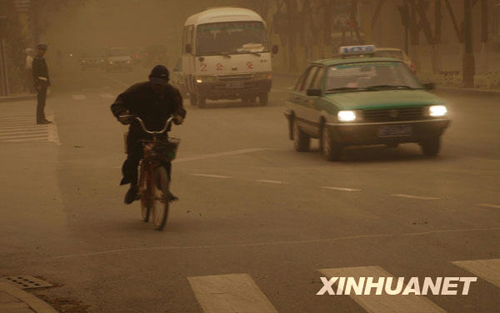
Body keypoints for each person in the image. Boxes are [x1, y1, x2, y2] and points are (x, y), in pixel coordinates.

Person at [110, 65, 186, 204]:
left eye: (161, 85)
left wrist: (178, 116)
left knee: (165, 160)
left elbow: (179, 108)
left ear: (167, 83)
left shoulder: (172, 92)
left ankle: (165, 189)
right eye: (156, 84)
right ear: (150, 80)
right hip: (139, 132)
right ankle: (133, 186)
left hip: (161, 132)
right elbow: (118, 103)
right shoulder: (137, 90)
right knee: (132, 160)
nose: (158, 87)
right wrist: (123, 114)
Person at [32, 43, 51, 124]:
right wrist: (37, 84)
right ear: (39, 50)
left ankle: (42, 118)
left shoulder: (42, 59)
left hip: (44, 82)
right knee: (40, 102)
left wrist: (48, 82)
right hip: (40, 82)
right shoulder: (36, 60)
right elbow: (34, 73)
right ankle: (39, 119)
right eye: (41, 50)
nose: (43, 52)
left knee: (43, 102)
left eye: (44, 51)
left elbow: (46, 72)